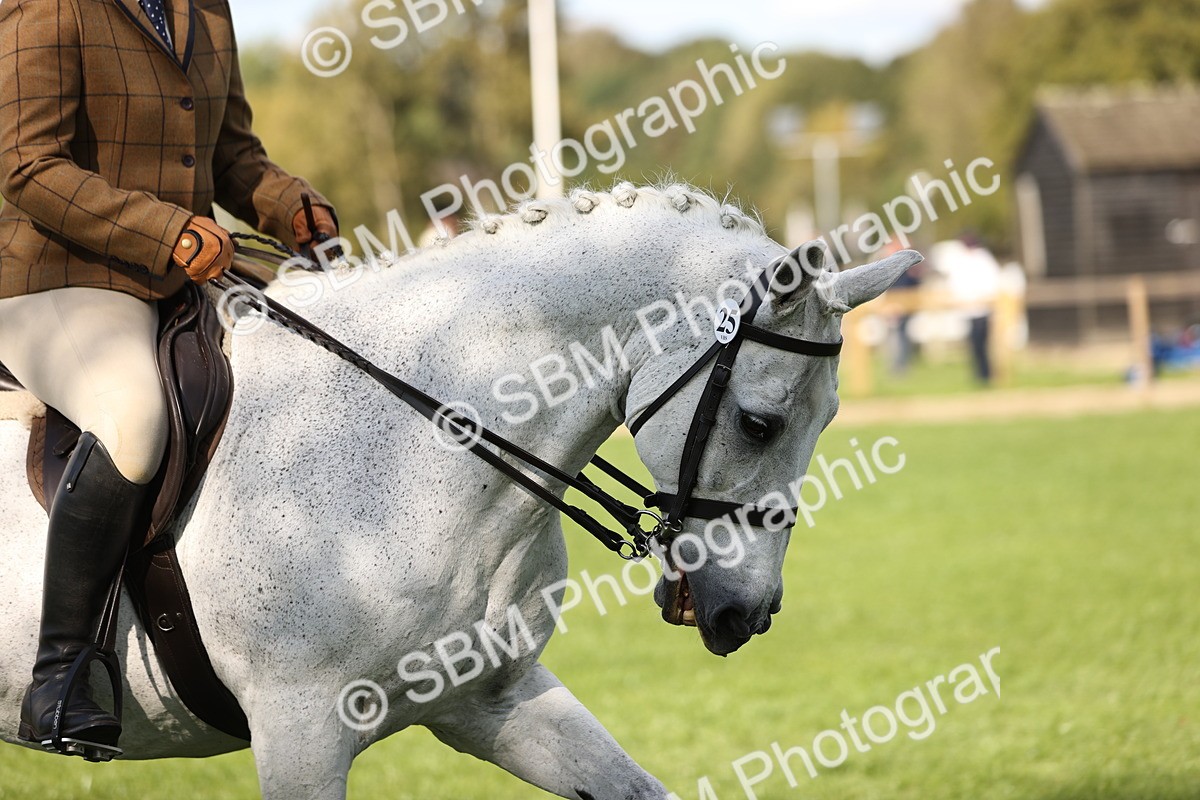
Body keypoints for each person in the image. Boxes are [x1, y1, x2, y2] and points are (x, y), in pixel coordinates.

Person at [0, 0, 337, 756]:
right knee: (133, 420)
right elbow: (27, 167)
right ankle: (61, 678)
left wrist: (291, 206)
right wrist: (165, 230)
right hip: (61, 277)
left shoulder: (205, 9)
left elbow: (230, 157)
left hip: (182, 274)